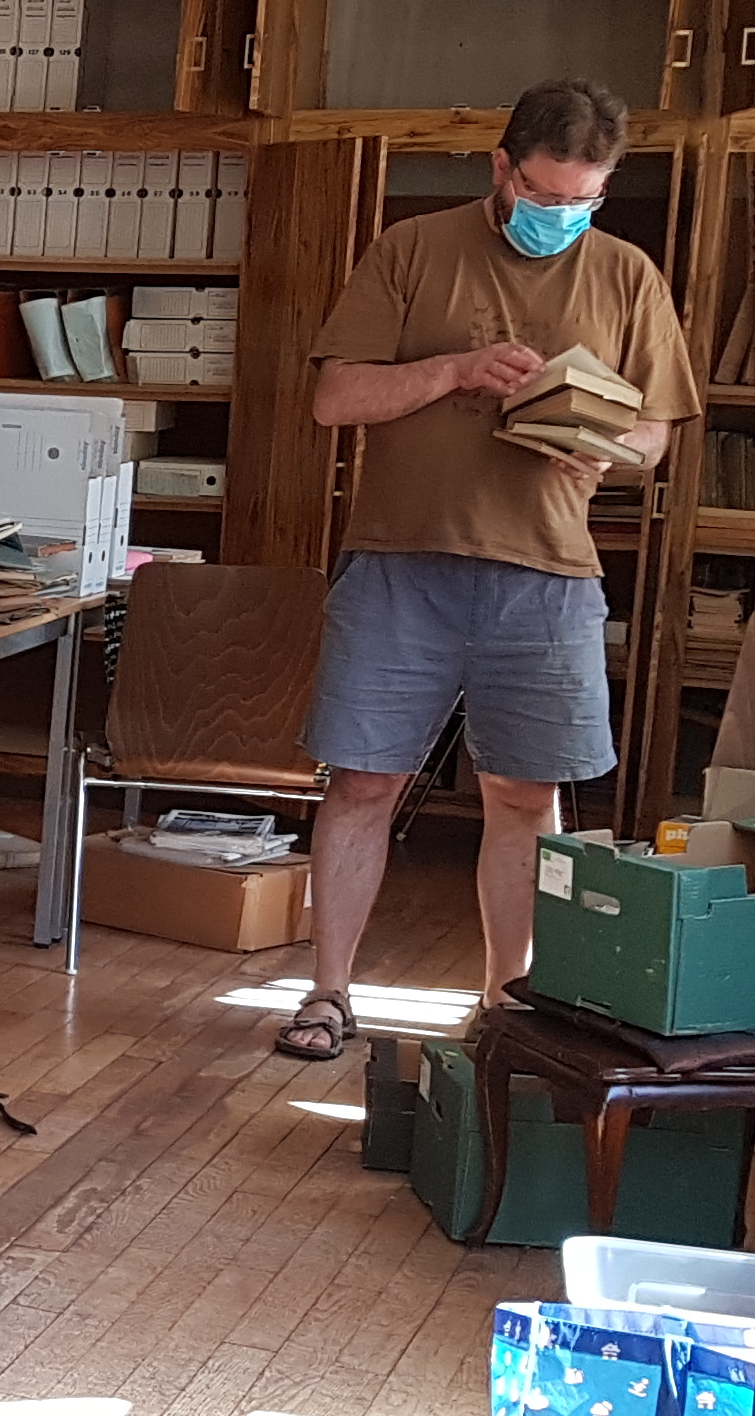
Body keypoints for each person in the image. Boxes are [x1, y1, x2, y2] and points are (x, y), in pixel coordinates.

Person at [272, 78, 702, 1063]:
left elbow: (654, 433)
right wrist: (456, 372)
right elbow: (335, 400)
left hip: (547, 577)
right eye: (545, 197)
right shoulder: (413, 250)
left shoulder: (629, 274)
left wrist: (610, 449)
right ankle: (327, 992)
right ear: (500, 168)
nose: (561, 217)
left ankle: (506, 1003)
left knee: (523, 799)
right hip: (399, 567)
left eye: (582, 201)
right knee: (363, 784)